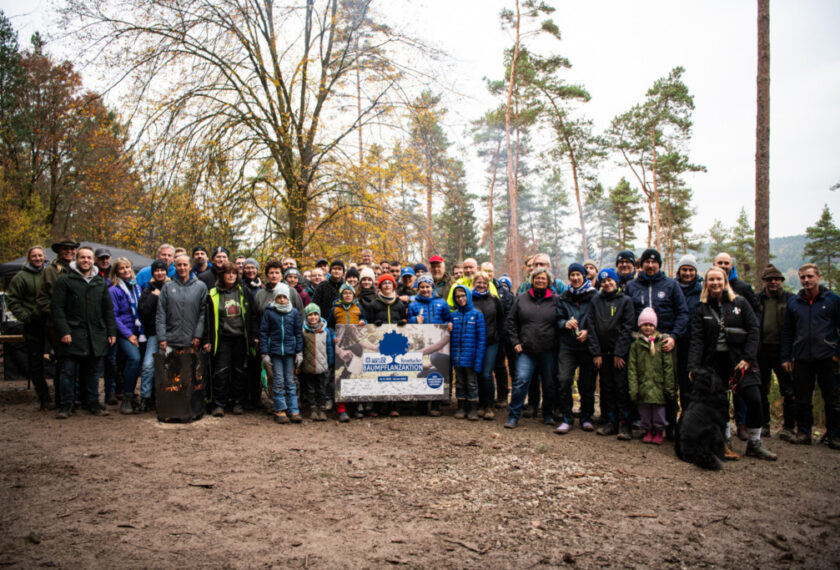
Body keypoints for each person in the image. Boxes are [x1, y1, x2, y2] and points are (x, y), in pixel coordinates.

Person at [688, 266, 776, 460]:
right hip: (714, 362)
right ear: (706, 283)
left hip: (741, 361)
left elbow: (753, 330)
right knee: (720, 403)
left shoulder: (740, 303)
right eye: (711, 279)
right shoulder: (702, 308)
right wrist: (693, 367)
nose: (715, 283)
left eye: (718, 279)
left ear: (725, 281)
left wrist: (748, 357)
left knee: (754, 399)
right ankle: (724, 440)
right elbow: (697, 340)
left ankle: (755, 442)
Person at [625, 248, 689, 438]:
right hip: (640, 344)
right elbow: (627, 314)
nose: (650, 265)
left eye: (654, 262)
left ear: (659, 265)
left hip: (665, 343)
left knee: (668, 384)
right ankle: (644, 424)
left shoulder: (671, 285)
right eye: (647, 262)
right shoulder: (632, 286)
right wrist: (632, 336)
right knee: (641, 382)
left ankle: (670, 425)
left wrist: (674, 336)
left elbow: (683, 313)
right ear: (642, 264)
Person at [51, 247, 117, 418]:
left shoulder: (99, 282)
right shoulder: (65, 281)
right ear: (76, 259)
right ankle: (66, 405)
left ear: (93, 260)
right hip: (72, 334)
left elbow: (108, 310)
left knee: (93, 372)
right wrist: (64, 331)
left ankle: (92, 403)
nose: (86, 260)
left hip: (95, 335)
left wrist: (111, 331)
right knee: (68, 371)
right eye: (82, 257)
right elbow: (57, 309)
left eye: (88, 258)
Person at [781, 263, 840, 448]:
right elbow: (787, 331)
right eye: (803, 277)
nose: (806, 280)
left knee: (832, 399)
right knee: (802, 399)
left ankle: (834, 435)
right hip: (802, 358)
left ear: (818, 277)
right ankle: (804, 433)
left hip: (827, 358)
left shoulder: (833, 300)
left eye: (810, 276)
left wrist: (838, 353)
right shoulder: (794, 303)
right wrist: (785, 357)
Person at [504, 267, 559, 429]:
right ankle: (514, 415)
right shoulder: (521, 298)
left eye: (543, 278)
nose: (540, 281)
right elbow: (511, 321)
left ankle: (548, 414)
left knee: (549, 383)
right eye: (537, 278)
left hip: (548, 350)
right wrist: (515, 342)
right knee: (521, 381)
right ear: (532, 280)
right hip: (526, 350)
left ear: (548, 281)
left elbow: (561, 321)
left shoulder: (556, 300)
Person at [203, 261, 257, 417]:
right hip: (222, 338)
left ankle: (238, 402)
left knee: (239, 371)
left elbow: (252, 315)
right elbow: (207, 319)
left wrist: (254, 335)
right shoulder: (213, 293)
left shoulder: (244, 292)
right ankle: (218, 404)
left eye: (234, 273)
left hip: (241, 338)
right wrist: (207, 339)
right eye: (228, 273)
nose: (231, 276)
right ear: (222, 275)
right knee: (221, 371)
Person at [587, 268, 635, 439]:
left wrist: (619, 353)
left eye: (610, 280)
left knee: (621, 388)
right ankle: (611, 422)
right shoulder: (596, 301)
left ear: (615, 281)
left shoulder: (625, 301)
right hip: (602, 354)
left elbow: (628, 327)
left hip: (619, 355)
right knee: (607, 388)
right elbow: (591, 326)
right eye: (604, 281)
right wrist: (596, 352)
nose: (607, 283)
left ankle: (625, 424)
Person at [6, 245, 51, 409]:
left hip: (52, 323)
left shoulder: (51, 273)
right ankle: (44, 398)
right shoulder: (21, 277)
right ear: (29, 258)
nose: (37, 258)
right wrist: (26, 317)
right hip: (33, 325)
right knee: (36, 362)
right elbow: (12, 300)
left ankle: (62, 397)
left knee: (59, 358)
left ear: (44, 257)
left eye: (40, 255)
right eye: (34, 256)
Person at [36, 238, 79, 408]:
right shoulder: (50, 271)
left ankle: (76, 397)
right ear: (59, 251)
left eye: (72, 249)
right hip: (56, 324)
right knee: (63, 361)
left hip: (78, 323)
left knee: (77, 361)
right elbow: (42, 299)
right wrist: (57, 314)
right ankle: (62, 400)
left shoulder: (79, 268)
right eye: (65, 249)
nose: (69, 251)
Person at [555, 263, 597, 433]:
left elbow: (598, 319)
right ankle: (567, 417)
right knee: (564, 380)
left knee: (587, 383)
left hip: (587, 346)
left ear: (584, 276)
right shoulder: (564, 297)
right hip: (567, 346)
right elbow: (557, 319)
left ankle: (586, 417)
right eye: (572, 275)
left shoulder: (595, 296)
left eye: (578, 274)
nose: (575, 278)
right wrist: (565, 323)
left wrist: (588, 332)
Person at [756, 264, 795, 440]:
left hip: (783, 352)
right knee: (761, 389)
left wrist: (791, 353)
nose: (773, 282)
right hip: (761, 352)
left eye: (777, 279)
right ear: (764, 281)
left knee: (788, 391)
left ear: (781, 281)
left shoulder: (791, 300)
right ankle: (764, 425)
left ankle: (789, 427)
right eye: (769, 279)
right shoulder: (757, 300)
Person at [628, 308, 675, 445]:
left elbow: (668, 367)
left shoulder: (662, 342)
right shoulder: (636, 344)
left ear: (655, 326)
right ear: (640, 325)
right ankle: (647, 430)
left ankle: (659, 431)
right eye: (645, 325)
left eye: (650, 325)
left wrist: (669, 387)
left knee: (659, 412)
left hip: (658, 385)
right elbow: (632, 367)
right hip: (643, 385)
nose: (648, 328)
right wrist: (633, 388)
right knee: (644, 412)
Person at [259, 284, 303, 424]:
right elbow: (264, 333)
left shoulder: (294, 312)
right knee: (278, 380)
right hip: (275, 352)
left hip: (290, 352)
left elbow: (298, 333)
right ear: (274, 298)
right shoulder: (269, 312)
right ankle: (279, 408)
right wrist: (264, 353)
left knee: (290, 381)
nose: (282, 300)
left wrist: (299, 352)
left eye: (285, 297)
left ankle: (293, 409)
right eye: (279, 297)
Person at [108, 258, 144, 414]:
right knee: (134, 359)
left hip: (139, 331)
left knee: (139, 363)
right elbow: (113, 316)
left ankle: (133, 393)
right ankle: (127, 397)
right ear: (116, 271)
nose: (125, 270)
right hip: (124, 332)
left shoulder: (136, 287)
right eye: (121, 268)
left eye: (128, 267)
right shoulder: (114, 290)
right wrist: (128, 335)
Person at [156, 253, 208, 360]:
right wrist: (162, 338)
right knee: (169, 369)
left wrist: (198, 335)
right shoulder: (167, 286)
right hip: (170, 340)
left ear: (190, 267)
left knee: (189, 369)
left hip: (191, 341)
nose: (182, 268)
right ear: (175, 266)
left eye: (185, 265)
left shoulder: (201, 287)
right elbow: (161, 313)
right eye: (179, 265)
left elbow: (203, 314)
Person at [449, 284, 486, 421]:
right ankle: (461, 407)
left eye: (463, 296)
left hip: (471, 357)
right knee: (459, 382)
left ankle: (472, 408)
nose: (460, 299)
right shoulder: (454, 316)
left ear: (468, 296)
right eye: (457, 297)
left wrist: (478, 359)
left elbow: (481, 339)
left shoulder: (477, 315)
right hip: (457, 357)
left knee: (471, 383)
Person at [675, 254, 703, 433]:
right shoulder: (672, 287)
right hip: (674, 341)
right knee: (672, 383)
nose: (687, 273)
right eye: (684, 269)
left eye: (691, 270)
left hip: (693, 343)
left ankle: (689, 421)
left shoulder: (701, 290)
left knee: (689, 385)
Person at [470, 272, 503, 420]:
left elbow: (501, 320)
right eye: (479, 282)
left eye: (484, 283)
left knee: (486, 374)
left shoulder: (494, 300)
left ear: (488, 284)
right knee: (477, 373)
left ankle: (489, 405)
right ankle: (481, 404)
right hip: (474, 342)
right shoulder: (469, 300)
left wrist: (499, 338)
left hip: (491, 342)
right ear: (474, 283)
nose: (481, 285)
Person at [137, 260, 168, 412]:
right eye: (157, 270)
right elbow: (143, 312)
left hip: (171, 333)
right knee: (148, 366)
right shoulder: (148, 290)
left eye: (162, 270)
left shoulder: (172, 287)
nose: (160, 273)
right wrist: (154, 297)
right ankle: (145, 397)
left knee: (167, 367)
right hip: (154, 333)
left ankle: (165, 397)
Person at [299, 303, 335, 421]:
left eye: (315, 314)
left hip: (323, 366)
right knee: (310, 389)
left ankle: (322, 409)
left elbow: (329, 349)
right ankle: (313, 408)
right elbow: (301, 348)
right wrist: (300, 364)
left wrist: (330, 363)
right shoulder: (303, 331)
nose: (313, 317)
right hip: (308, 366)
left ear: (319, 315)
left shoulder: (325, 331)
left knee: (322, 388)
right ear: (306, 316)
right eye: (310, 315)